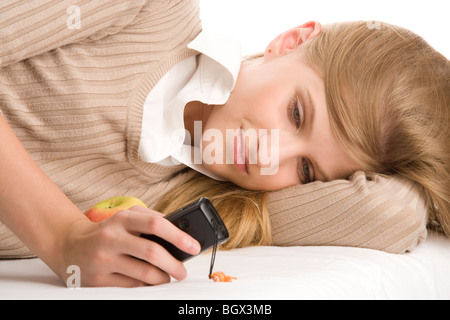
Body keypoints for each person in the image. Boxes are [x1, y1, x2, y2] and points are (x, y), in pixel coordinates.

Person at [0, 0, 448, 287]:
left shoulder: (193, 206)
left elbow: (392, 214)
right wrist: (61, 235)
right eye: (296, 113)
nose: (271, 154)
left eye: (307, 171)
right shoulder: (151, 12)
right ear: (292, 40)